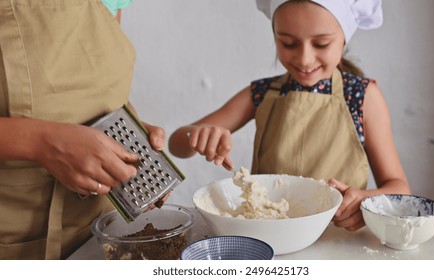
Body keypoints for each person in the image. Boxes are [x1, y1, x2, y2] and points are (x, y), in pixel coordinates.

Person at [168, 0, 410, 231]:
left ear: (344, 38)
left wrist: (366, 201)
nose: (304, 59)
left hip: (339, 237)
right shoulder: (261, 93)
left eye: (321, 44)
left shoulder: (363, 96)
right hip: (269, 236)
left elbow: (399, 189)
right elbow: (176, 145)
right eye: (289, 43)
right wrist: (196, 135)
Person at [0, 0, 165, 259]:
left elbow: (97, 90)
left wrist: (128, 128)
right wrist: (41, 143)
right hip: (14, 234)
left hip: (100, 228)